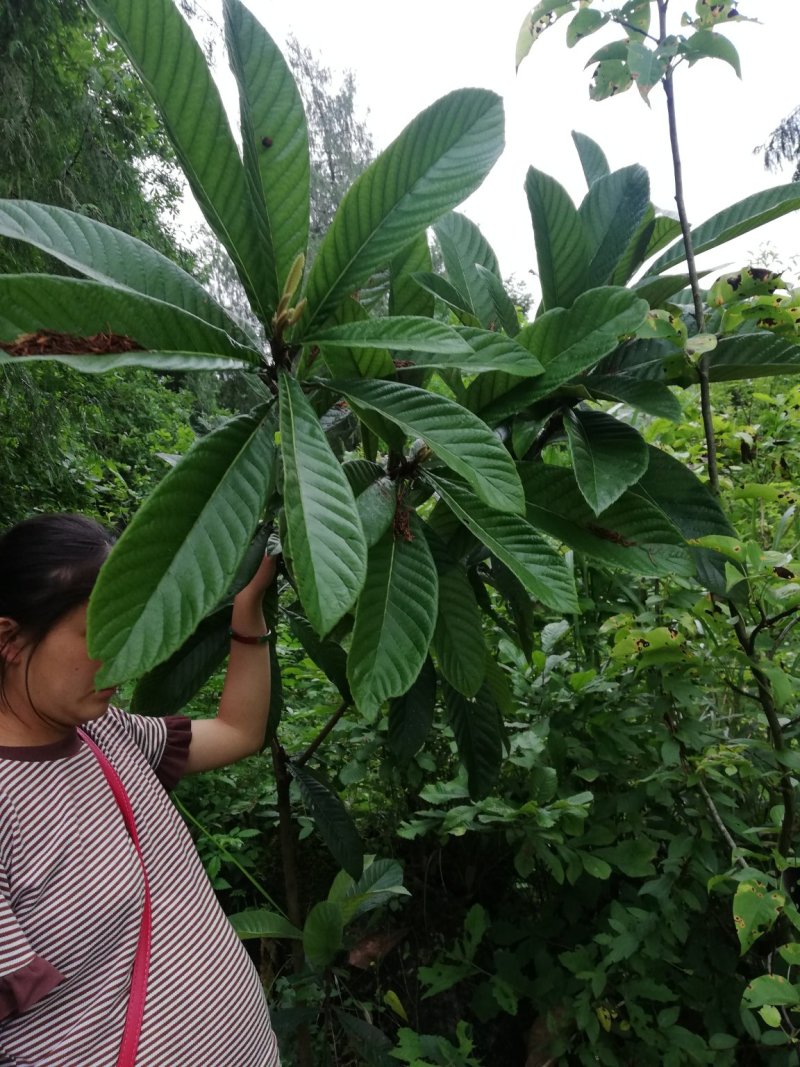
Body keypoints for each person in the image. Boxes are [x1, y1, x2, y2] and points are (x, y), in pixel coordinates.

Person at [0, 513, 281, 1066]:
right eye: (100, 634)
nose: (127, 658)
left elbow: (238, 733)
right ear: (9, 638)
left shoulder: (105, 732)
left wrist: (248, 612)